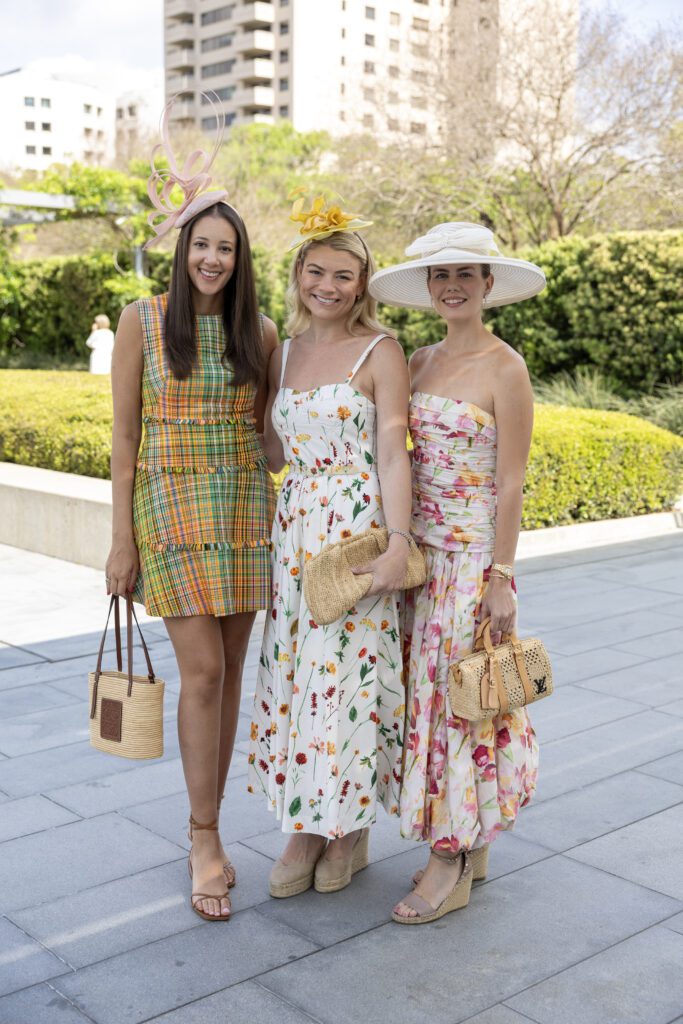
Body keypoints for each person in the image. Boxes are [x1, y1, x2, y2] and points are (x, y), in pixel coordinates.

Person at [105, 98, 277, 923]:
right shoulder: (142, 324)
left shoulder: (263, 334)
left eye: (226, 249)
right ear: (183, 252)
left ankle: (213, 824)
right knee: (200, 672)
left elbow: (272, 434)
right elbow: (123, 437)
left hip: (246, 506)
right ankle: (203, 834)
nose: (213, 258)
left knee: (232, 671)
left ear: (241, 262)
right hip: (169, 511)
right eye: (202, 245)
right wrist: (119, 544)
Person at [369, 222, 544, 924]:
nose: (450, 286)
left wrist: (502, 576)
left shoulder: (507, 368)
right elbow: (395, 455)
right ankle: (468, 839)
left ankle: (449, 859)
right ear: (427, 288)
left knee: (459, 706)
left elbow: (510, 484)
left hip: (472, 563)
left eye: (464, 275)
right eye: (439, 277)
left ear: (487, 284)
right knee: (427, 702)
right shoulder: (414, 360)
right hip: (420, 560)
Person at [248, 193, 412, 897]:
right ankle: (303, 823)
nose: (327, 286)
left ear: (362, 283)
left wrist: (398, 542)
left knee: (346, 679)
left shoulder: (381, 350)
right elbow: (272, 448)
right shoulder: (279, 354)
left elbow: (393, 451)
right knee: (296, 678)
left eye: (343, 275)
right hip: (294, 531)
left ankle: (345, 827)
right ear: (297, 273)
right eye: (316, 271)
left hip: (355, 531)